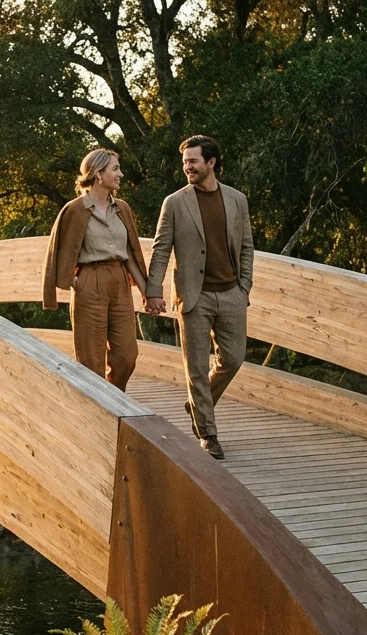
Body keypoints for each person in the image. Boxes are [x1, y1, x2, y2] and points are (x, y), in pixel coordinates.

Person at [143, 135, 254, 459]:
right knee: (195, 366)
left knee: (233, 359)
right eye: (185, 162)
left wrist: (244, 284)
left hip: (232, 293)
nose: (187, 167)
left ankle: (196, 403)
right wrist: (154, 291)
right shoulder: (175, 202)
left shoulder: (236, 200)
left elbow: (246, 245)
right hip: (194, 297)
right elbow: (161, 249)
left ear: (211, 162)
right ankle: (208, 433)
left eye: (193, 161)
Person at [42, 148, 150, 391]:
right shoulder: (76, 209)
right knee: (91, 361)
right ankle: (99, 410)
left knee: (127, 357)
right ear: (99, 174)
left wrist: (147, 292)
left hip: (120, 282)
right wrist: (73, 282)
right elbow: (61, 248)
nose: (120, 174)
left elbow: (131, 254)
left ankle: (113, 397)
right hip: (90, 282)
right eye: (115, 169)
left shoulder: (122, 208)